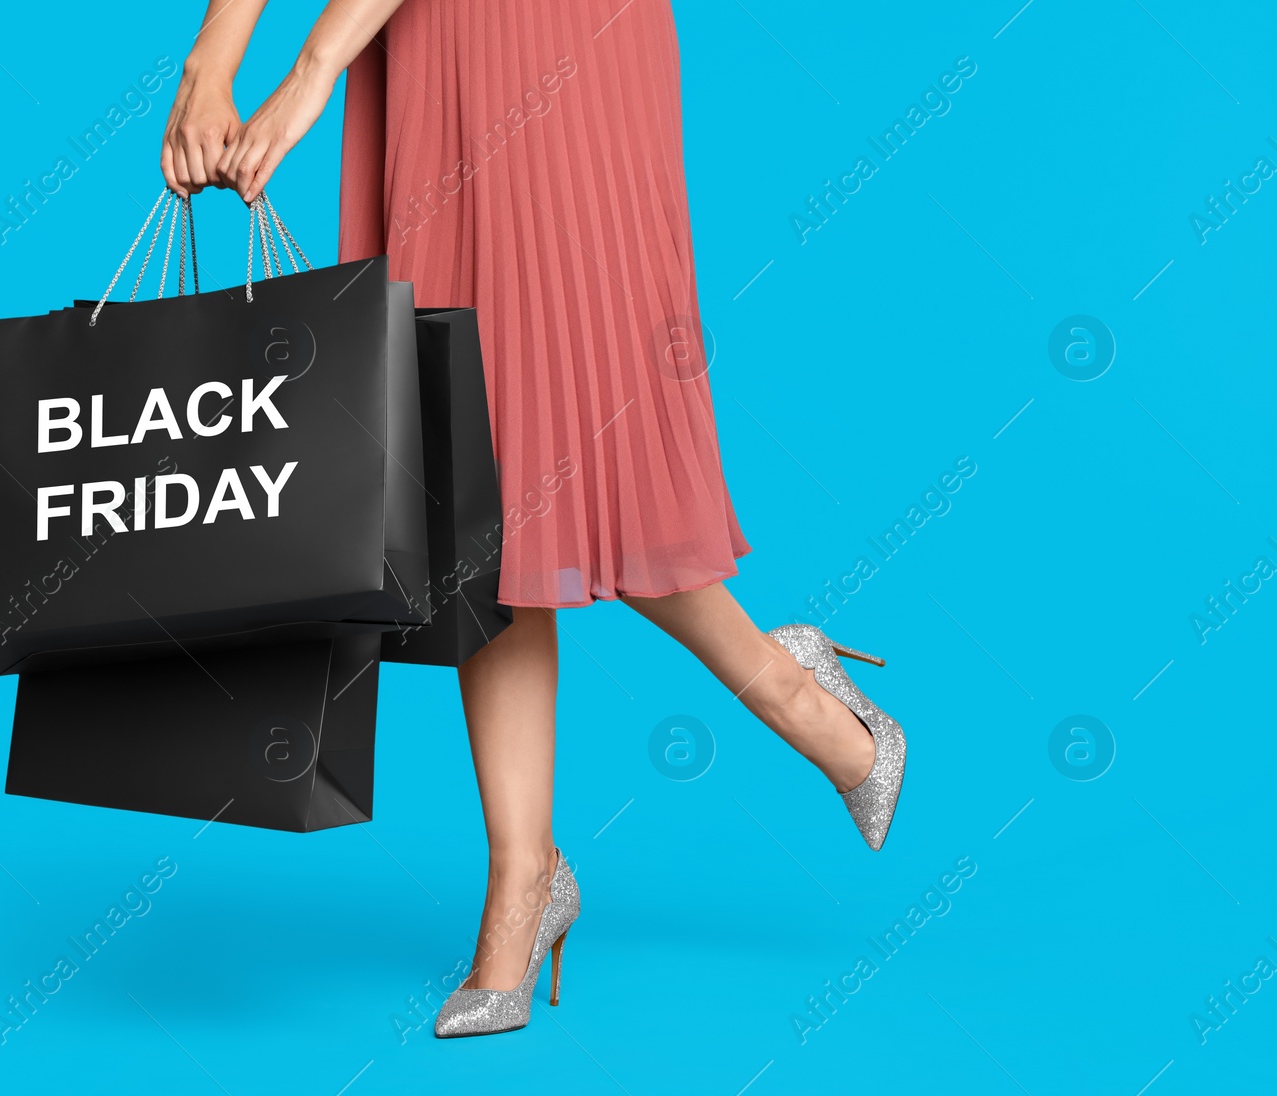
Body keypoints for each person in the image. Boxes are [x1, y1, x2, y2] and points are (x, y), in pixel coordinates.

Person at [161, 0, 905, 1038]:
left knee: (583, 439)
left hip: (563, 42)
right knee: (472, 469)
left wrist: (311, 64)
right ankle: (524, 875)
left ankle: (796, 691)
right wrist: (214, 54)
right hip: (426, 45)